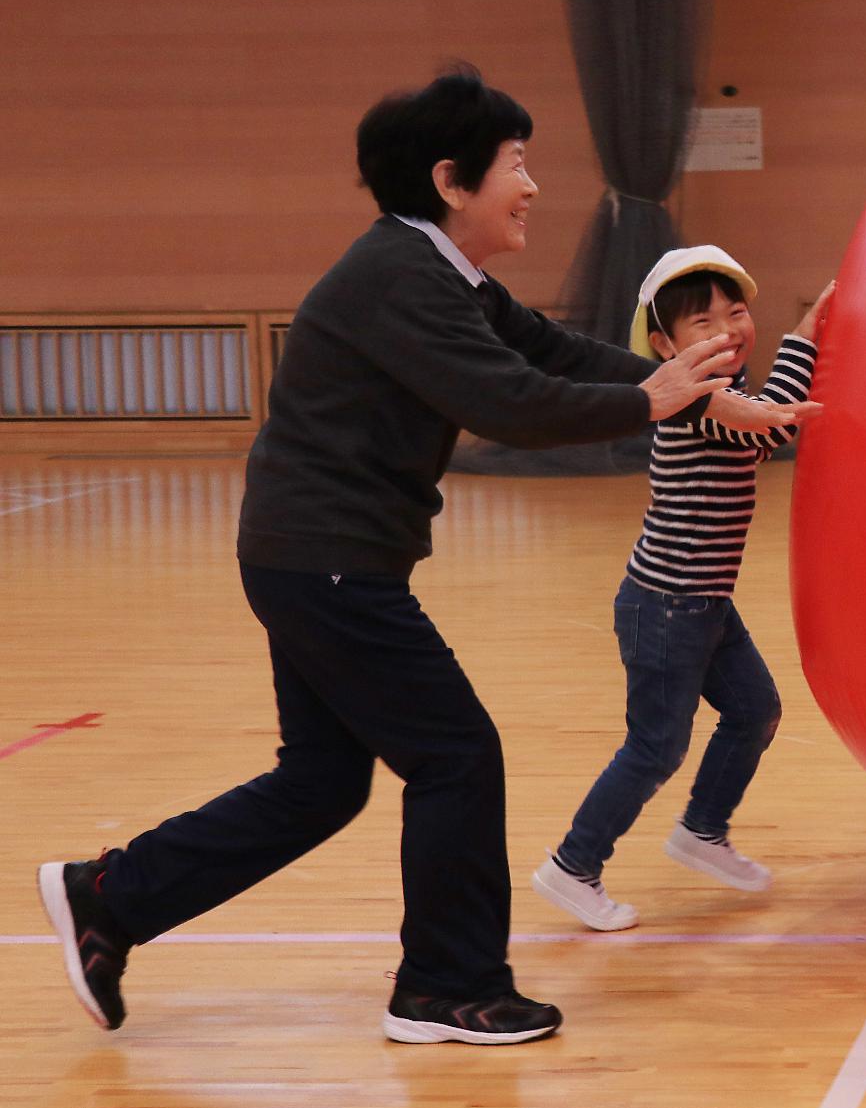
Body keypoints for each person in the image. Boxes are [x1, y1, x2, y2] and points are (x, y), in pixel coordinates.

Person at [36, 65, 808, 1045]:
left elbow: (555, 354)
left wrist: (699, 393)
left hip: (310, 557)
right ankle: (447, 985)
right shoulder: (400, 277)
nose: (531, 185)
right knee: (456, 754)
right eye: (518, 163)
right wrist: (659, 399)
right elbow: (512, 406)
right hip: (324, 561)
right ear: (453, 181)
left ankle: (108, 896)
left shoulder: (445, 276)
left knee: (322, 779)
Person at [532, 248, 830, 930]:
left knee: (755, 709)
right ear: (665, 345)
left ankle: (701, 829)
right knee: (656, 746)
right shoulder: (693, 398)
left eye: (737, 312)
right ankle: (573, 865)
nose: (728, 328)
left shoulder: (723, 399)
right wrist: (805, 335)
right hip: (666, 608)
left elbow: (757, 425)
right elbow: (774, 420)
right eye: (704, 321)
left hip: (701, 604)